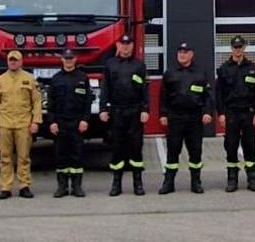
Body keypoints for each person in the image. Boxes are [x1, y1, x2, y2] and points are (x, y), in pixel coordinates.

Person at [99, 32, 150, 196]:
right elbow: (105, 88)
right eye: (123, 44)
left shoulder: (139, 65)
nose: (126, 47)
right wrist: (103, 109)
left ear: (132, 46)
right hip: (117, 111)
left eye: (129, 45)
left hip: (135, 111)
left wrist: (145, 109)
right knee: (117, 148)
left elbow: (144, 89)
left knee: (136, 147)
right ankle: (116, 184)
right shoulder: (110, 64)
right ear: (118, 46)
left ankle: (138, 184)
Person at [158, 42, 212, 194]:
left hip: (194, 118)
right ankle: (168, 183)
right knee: (173, 150)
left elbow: (207, 96)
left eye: (185, 52)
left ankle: (196, 182)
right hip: (175, 117)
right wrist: (163, 114)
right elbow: (163, 96)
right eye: (180, 52)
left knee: (195, 151)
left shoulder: (200, 73)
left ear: (191, 54)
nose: (182, 54)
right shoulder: (170, 73)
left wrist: (207, 112)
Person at [0, 49, 41, 199]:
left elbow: (36, 102)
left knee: (24, 157)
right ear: (7, 61)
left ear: (21, 62)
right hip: (4, 124)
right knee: (5, 157)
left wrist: (36, 121)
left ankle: (24, 185)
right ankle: (6, 187)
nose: (13, 62)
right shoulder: (0, 80)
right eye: (10, 60)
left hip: (23, 124)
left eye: (15, 60)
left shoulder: (30, 79)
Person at [214, 35, 255, 192]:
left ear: (244, 48)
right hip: (231, 113)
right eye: (235, 47)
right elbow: (219, 94)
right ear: (231, 49)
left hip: (248, 113)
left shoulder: (253, 68)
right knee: (231, 146)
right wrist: (221, 114)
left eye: (240, 47)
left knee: (250, 146)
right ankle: (232, 179)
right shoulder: (224, 69)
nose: (238, 50)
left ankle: (252, 179)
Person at [44, 48, 92, 198]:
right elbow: (50, 103)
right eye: (66, 58)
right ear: (62, 60)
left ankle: (77, 186)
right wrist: (52, 122)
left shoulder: (83, 78)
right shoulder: (56, 79)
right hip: (60, 122)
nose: (69, 61)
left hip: (77, 122)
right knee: (61, 155)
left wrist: (85, 119)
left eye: (71, 58)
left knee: (77, 154)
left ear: (75, 60)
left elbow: (87, 102)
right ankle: (62, 187)